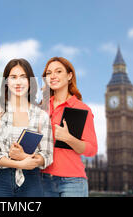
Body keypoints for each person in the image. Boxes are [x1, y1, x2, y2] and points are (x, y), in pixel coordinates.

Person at [0, 58, 53, 197]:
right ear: (6, 82)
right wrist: (21, 164)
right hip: (1, 182)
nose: (18, 82)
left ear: (30, 82)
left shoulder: (41, 116)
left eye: (23, 77)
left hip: (32, 182)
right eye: (13, 77)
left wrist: (25, 157)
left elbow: (47, 155)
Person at [40, 57, 98, 197]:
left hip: (72, 182)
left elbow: (92, 149)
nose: (53, 76)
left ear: (69, 76)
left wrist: (69, 138)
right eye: (49, 73)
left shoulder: (81, 108)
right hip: (42, 180)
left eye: (58, 71)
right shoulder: (40, 107)